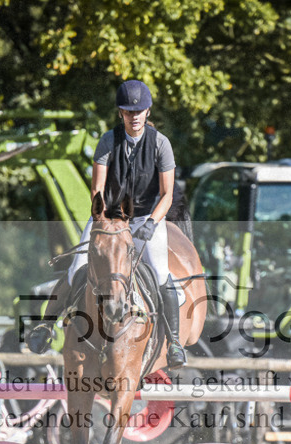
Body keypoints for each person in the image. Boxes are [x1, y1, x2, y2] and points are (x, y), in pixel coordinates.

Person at [26, 79, 186, 369]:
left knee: (161, 272)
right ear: (121, 113)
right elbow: (97, 187)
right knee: (76, 270)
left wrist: (151, 222)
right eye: (128, 111)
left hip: (145, 217)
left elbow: (167, 194)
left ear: (147, 112)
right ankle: (45, 327)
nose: (133, 116)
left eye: (138, 111)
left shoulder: (161, 144)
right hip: (108, 217)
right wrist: (101, 214)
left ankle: (174, 341)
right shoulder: (107, 141)